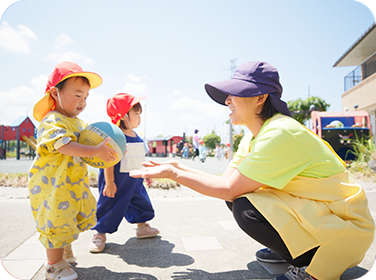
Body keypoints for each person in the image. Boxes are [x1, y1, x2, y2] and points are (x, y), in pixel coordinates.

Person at [130, 61, 375, 280]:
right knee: (240, 200)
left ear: (260, 98)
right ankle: (293, 249)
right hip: (319, 212)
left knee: (245, 207)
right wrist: (177, 166)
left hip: (345, 229)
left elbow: (228, 189)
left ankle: (310, 263)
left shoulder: (281, 132)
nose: (227, 100)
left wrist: (174, 174)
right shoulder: (254, 136)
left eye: (234, 94)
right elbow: (226, 182)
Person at [28, 61, 118, 280]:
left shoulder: (79, 123)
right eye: (77, 95)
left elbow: (88, 150)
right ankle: (54, 264)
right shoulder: (51, 121)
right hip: (53, 186)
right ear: (55, 93)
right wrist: (93, 151)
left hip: (72, 183)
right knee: (56, 220)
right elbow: (64, 145)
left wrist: (100, 153)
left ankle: (63, 249)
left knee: (69, 216)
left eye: (86, 97)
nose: (82, 101)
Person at [89, 92, 159, 253]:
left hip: (134, 179)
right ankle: (99, 234)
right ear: (123, 116)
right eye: (136, 114)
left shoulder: (138, 137)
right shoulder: (114, 136)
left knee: (141, 202)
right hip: (115, 179)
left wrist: (146, 173)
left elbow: (140, 157)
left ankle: (142, 227)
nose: (140, 117)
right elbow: (108, 160)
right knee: (109, 204)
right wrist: (109, 181)